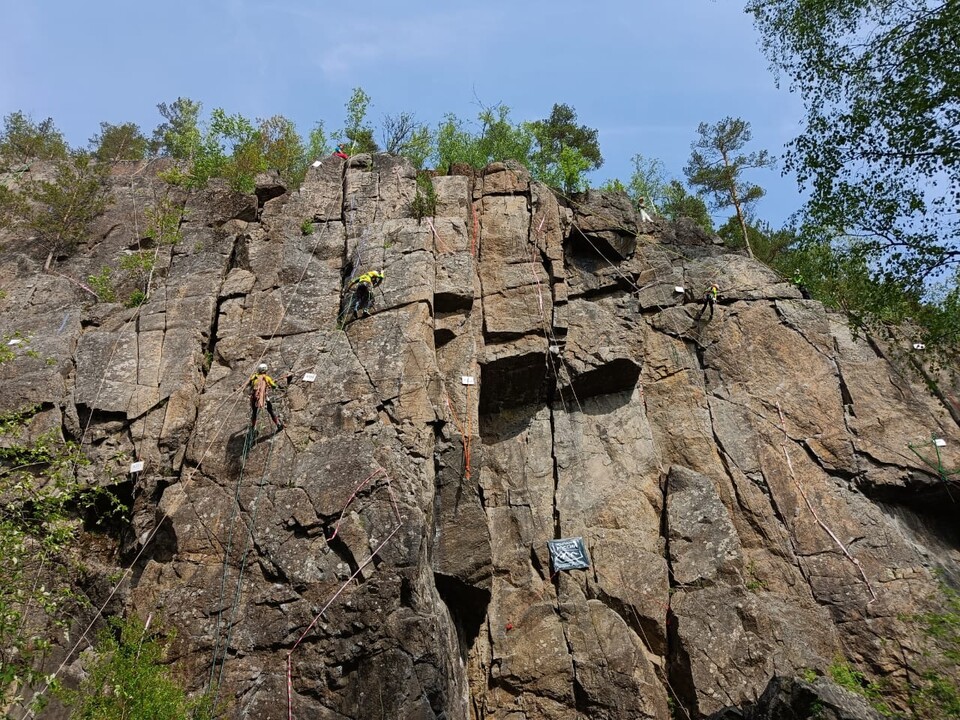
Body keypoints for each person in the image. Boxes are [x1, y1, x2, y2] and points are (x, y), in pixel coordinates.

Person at [249, 363, 283, 431]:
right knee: (270, 411)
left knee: (254, 413)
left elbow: (250, 383)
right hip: (263, 397)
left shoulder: (254, 377)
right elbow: (274, 386)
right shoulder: (267, 378)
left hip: (254, 397)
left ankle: (252, 427)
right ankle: (278, 424)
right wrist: (273, 384)